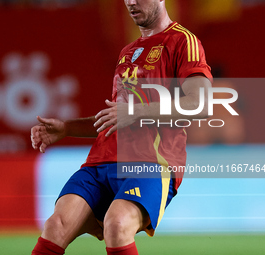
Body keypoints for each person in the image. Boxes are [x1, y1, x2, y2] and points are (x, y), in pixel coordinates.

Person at [30, 0, 212, 254]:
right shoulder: (127, 52)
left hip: (151, 163)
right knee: (56, 225)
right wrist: (66, 127)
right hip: (99, 164)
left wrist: (135, 112)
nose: (131, 2)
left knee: (116, 224)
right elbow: (118, 118)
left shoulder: (183, 41)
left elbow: (200, 104)